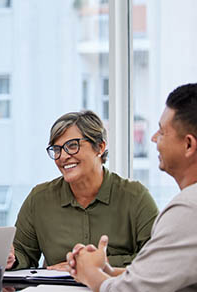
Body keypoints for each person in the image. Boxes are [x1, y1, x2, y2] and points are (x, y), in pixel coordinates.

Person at [67, 83, 197, 291]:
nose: (154, 138)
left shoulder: (188, 209)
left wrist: (89, 273)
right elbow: (157, 274)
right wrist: (107, 271)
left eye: (162, 132)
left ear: (188, 145)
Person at [6, 110, 158, 271]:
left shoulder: (135, 196)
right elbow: (23, 253)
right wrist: (12, 260)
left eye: (72, 146)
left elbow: (157, 258)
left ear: (100, 147)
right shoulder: (39, 199)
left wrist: (92, 264)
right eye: (57, 149)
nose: (63, 156)